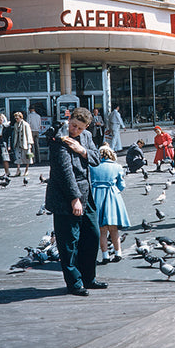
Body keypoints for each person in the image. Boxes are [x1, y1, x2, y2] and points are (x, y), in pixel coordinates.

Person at [45, 107, 108, 296]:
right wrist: (75, 199)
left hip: (85, 193)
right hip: (66, 196)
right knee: (69, 242)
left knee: (92, 235)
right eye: (73, 125)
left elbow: (97, 159)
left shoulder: (87, 136)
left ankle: (89, 278)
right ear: (69, 119)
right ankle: (74, 283)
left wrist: (82, 150)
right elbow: (65, 173)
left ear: (87, 126)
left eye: (80, 128)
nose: (75, 131)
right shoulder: (59, 138)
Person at [90, 143, 131, 264]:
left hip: (96, 196)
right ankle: (118, 253)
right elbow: (121, 185)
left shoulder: (92, 166)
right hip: (112, 196)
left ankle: (105, 256)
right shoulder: (117, 166)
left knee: (102, 230)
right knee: (114, 229)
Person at [12, 112, 34, 176]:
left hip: (25, 143)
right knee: (18, 156)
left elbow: (29, 134)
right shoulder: (16, 124)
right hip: (18, 143)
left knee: (27, 157)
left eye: (17, 118)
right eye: (15, 118)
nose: (16, 119)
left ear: (21, 117)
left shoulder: (25, 124)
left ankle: (26, 170)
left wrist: (29, 143)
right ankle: (18, 170)